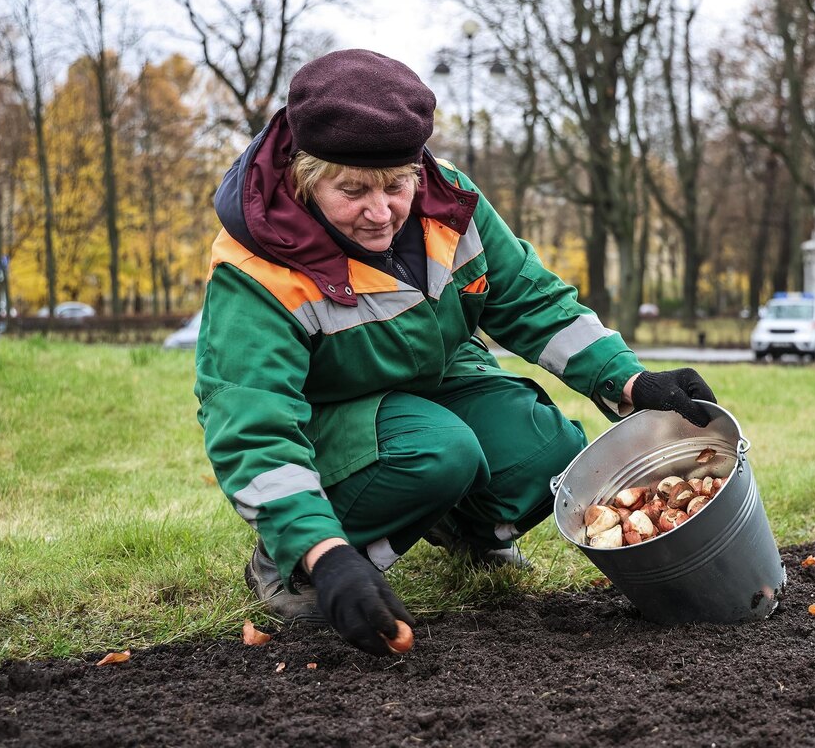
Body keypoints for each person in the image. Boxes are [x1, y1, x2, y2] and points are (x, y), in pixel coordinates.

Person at [194, 49, 717, 656]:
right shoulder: (255, 266)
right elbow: (250, 425)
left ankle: (466, 529)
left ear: (418, 168)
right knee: (438, 451)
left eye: (396, 185)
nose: (380, 211)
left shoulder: (450, 203)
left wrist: (629, 382)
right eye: (352, 191)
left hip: (438, 378)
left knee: (554, 450)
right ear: (305, 178)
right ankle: (296, 564)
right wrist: (324, 553)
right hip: (332, 416)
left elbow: (530, 300)